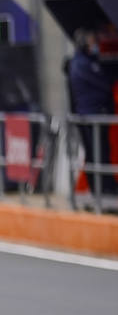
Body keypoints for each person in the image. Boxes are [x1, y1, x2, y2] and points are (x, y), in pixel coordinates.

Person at [67, 28, 115, 196]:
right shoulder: (82, 63)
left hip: (94, 113)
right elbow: (103, 83)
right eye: (93, 41)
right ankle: (102, 190)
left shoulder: (87, 61)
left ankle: (104, 188)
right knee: (97, 154)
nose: (96, 45)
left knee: (100, 153)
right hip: (90, 115)